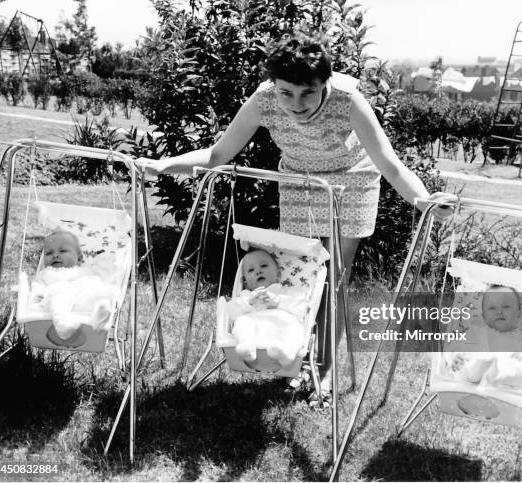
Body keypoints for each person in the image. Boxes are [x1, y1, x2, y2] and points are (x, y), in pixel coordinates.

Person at [137, 33, 453, 403]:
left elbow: (391, 166)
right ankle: (297, 356)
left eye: (308, 92)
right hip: (301, 182)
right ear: (275, 86)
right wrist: (163, 165)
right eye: (287, 93)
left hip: (351, 184)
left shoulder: (349, 100)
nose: (296, 103)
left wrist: (424, 200)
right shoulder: (263, 100)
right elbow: (217, 154)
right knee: (301, 280)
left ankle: (326, 368)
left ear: (325, 84)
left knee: (334, 279)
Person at [445, 285, 522, 392]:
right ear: (484, 315)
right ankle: (484, 367)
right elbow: (455, 346)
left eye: (506, 307)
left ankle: (495, 369)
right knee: (467, 363)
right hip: (470, 385)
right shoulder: (475, 333)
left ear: (518, 313)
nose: (499, 312)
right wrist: (454, 357)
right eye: (492, 308)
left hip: (507, 390)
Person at [30, 230, 116, 347]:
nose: (55, 255)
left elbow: (98, 281)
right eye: (49, 253)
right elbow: (37, 289)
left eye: (63, 251)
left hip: (82, 307)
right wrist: (37, 297)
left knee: (98, 290)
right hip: (57, 306)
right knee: (59, 293)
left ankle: (99, 314)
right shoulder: (46, 274)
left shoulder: (84, 271)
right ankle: (63, 325)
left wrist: (103, 257)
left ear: (79, 258)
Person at [227, 249, 308, 369]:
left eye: (264, 266)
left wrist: (278, 301)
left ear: (278, 274)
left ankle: (286, 353)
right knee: (242, 322)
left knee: (295, 327)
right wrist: (248, 302)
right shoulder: (246, 295)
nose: (258, 271)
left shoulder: (285, 292)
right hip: (255, 335)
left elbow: (301, 310)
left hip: (280, 334)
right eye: (251, 270)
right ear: (246, 281)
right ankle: (246, 348)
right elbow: (231, 314)